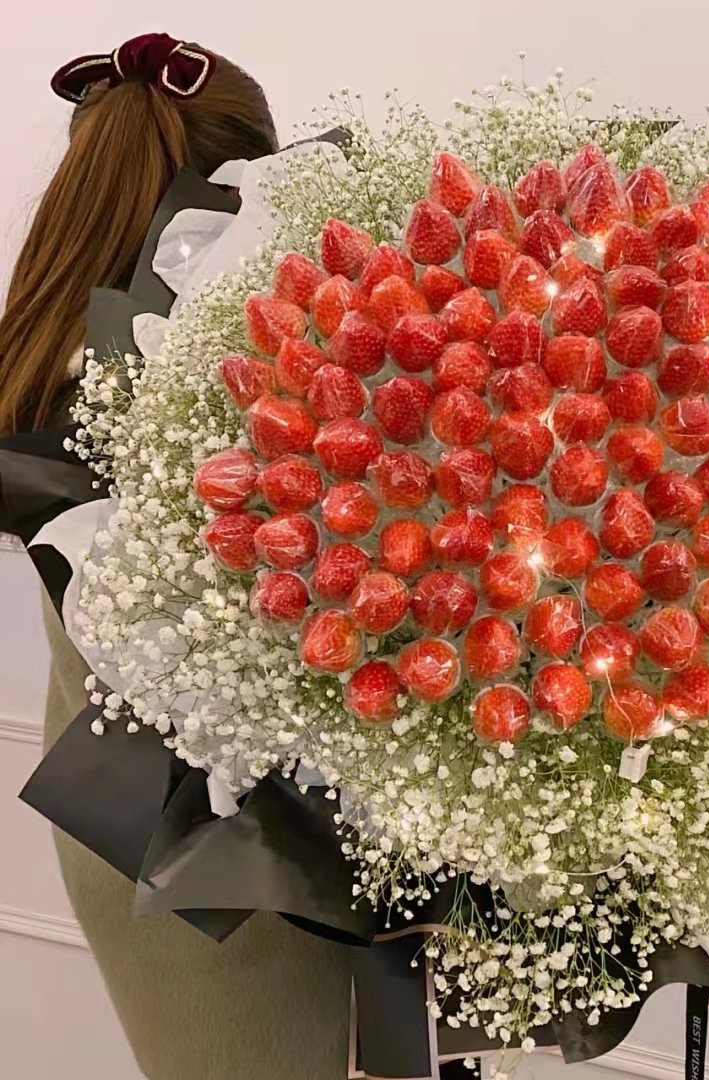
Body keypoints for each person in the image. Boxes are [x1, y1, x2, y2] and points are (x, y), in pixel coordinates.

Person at [1, 34, 355, 1079]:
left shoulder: (53, 352)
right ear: (250, 174)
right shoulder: (222, 368)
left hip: (125, 825)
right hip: (236, 851)